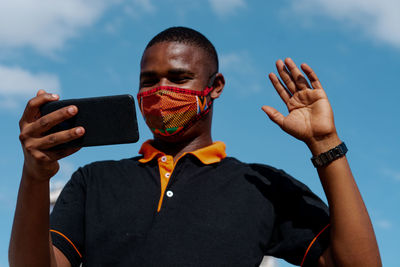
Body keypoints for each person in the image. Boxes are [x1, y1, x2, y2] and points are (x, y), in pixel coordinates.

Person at [9, 27, 381, 267]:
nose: (161, 91)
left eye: (179, 78)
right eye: (149, 80)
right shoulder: (95, 181)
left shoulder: (261, 186)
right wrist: (34, 176)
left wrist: (325, 143)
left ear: (215, 85)